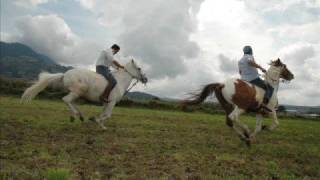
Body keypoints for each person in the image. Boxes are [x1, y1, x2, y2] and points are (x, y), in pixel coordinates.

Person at [238, 45, 273, 112]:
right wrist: (261, 68)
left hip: (243, 80)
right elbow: (250, 62)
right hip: (253, 79)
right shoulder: (249, 56)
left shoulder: (240, 61)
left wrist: (245, 75)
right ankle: (264, 104)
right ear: (250, 51)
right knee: (269, 88)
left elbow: (240, 72)